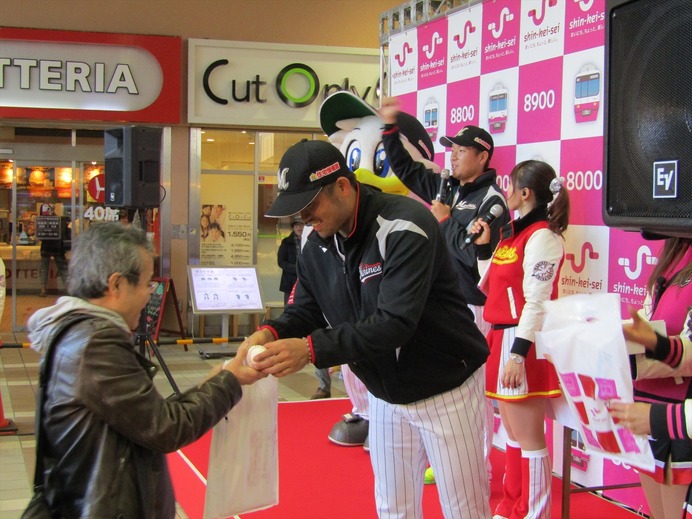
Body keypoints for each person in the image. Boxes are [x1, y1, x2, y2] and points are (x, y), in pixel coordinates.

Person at [246, 139, 492, 518]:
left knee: (465, 509)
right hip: (384, 394)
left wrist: (310, 350)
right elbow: (306, 308)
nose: (305, 219)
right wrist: (271, 333)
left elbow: (394, 323)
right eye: (298, 212)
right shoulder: (316, 242)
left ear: (342, 186)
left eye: (310, 207)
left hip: (446, 387)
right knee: (393, 508)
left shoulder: (405, 225)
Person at [26, 222, 265, 518]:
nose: (149, 294)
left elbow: (141, 415)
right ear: (116, 284)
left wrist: (217, 378)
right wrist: (231, 381)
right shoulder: (97, 343)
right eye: (146, 283)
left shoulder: (78, 333)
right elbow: (165, 428)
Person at [380, 97, 509, 483]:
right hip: (441, 300)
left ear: (483, 156)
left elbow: (470, 253)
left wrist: (446, 220)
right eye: (450, 149)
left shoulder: (493, 200)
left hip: (475, 305)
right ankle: (449, 454)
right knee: (448, 382)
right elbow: (404, 169)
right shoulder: (445, 185)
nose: (452, 156)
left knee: (473, 386)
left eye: (461, 150)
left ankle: (478, 464)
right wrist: (390, 129)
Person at [471, 159, 569, 519]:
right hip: (501, 336)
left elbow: (537, 302)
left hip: (521, 340)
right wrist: (484, 247)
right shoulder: (512, 233)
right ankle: (512, 507)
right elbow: (492, 284)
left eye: (510, 186)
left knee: (529, 438)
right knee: (510, 432)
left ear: (525, 193)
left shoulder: (544, 236)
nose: (505, 192)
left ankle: (535, 513)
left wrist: (517, 354)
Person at [609, 237, 691, 519]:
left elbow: (688, 351)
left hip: (678, 410)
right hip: (648, 403)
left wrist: (639, 358)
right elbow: (652, 317)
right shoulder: (674, 248)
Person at [38, 214, 69, 297]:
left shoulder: (44, 222)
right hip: (57, 248)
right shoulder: (61, 221)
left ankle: (43, 289)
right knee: (63, 269)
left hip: (45, 247)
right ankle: (68, 288)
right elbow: (65, 235)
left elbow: (40, 236)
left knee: (44, 269)